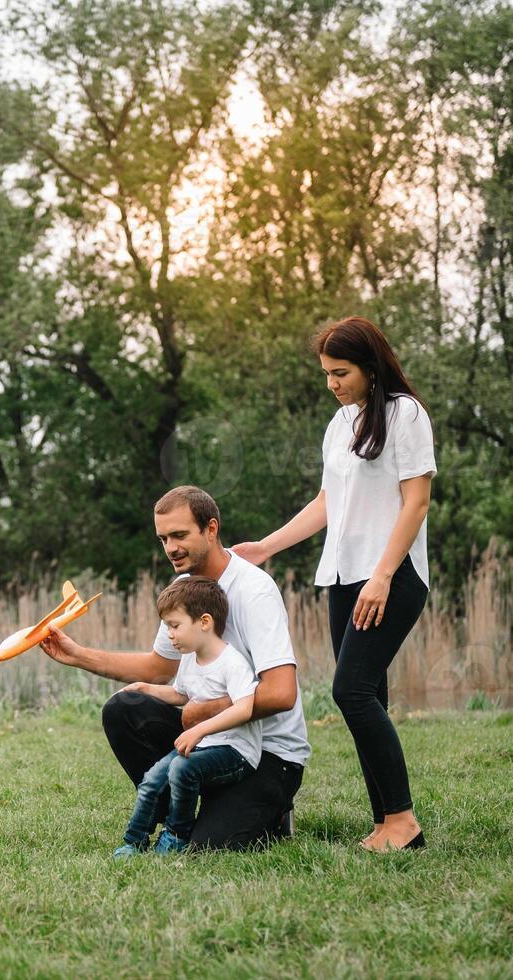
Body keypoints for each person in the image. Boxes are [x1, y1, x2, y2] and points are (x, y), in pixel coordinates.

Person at [232, 315, 436, 852]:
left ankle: (402, 821)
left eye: (340, 372)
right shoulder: (342, 422)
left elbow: (416, 502)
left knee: (350, 691)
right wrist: (266, 547)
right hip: (344, 577)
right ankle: (386, 824)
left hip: (391, 576)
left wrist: (384, 577)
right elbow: (328, 503)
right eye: (326, 373)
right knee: (370, 695)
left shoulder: (405, 414)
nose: (332, 384)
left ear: (371, 366)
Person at [41, 485, 310, 851]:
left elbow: (281, 693)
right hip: (209, 743)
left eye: (180, 535)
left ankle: (270, 811)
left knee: (210, 848)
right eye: (163, 538)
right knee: (125, 709)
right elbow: (157, 670)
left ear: (211, 529)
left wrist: (204, 711)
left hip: (267, 752)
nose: (171, 548)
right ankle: (177, 821)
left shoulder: (254, 591)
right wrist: (77, 655)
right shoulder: (184, 587)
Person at [113, 576, 262, 858]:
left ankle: (177, 836)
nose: (170, 634)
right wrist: (146, 689)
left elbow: (245, 708)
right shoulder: (190, 659)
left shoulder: (232, 663)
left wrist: (199, 730)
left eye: (175, 625)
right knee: (152, 778)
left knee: (182, 770)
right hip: (204, 744)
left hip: (236, 751)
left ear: (204, 622)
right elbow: (181, 694)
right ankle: (135, 841)